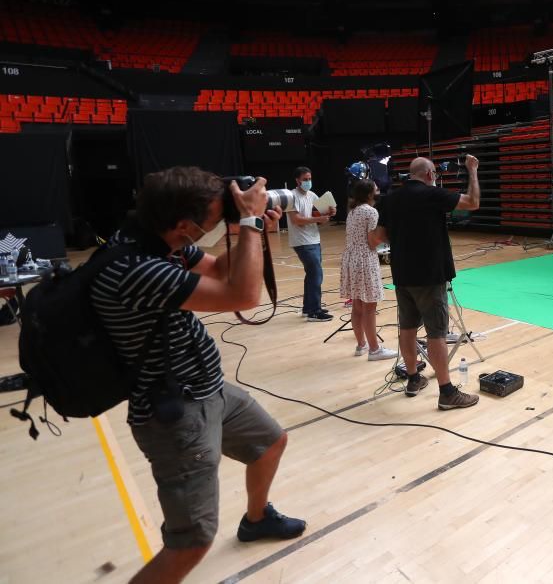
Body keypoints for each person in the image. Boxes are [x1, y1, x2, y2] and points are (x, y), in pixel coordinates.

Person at [90, 167, 305, 584]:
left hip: (207, 389)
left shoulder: (160, 242)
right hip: (176, 413)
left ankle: (257, 519)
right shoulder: (137, 268)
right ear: (186, 226)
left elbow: (223, 269)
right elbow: (242, 295)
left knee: (269, 442)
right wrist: (247, 222)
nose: (216, 221)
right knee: (191, 542)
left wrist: (252, 229)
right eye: (213, 217)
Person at [376, 156, 481, 410]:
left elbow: (379, 237)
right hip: (429, 275)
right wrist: (472, 171)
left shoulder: (389, 199)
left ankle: (413, 378)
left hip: (402, 275)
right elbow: (473, 202)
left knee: (408, 328)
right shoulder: (432, 194)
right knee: (437, 333)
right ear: (430, 175)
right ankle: (446, 392)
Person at [340, 178, 397, 361]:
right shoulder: (371, 212)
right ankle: (374, 349)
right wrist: (389, 235)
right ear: (370, 193)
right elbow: (372, 241)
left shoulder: (353, 211)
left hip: (351, 259)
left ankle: (361, 345)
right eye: (376, 188)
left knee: (357, 305)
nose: (379, 190)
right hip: (365, 260)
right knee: (369, 307)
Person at [288, 166, 335, 321]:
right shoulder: (291, 197)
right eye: (305, 179)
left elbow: (319, 216)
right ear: (297, 180)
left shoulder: (313, 195)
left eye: (309, 179)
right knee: (316, 274)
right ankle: (314, 311)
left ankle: (309, 308)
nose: (308, 182)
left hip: (314, 239)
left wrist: (329, 213)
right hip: (302, 241)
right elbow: (297, 220)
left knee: (312, 274)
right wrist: (317, 219)